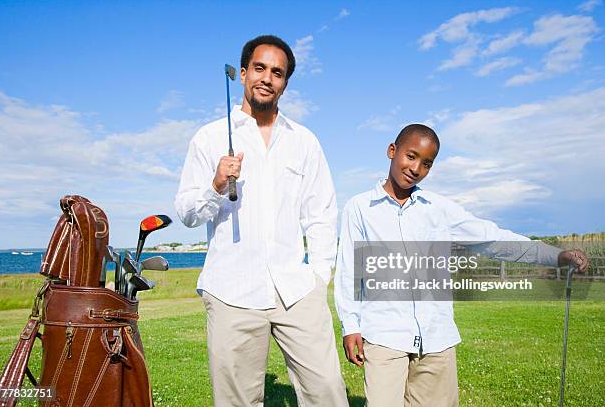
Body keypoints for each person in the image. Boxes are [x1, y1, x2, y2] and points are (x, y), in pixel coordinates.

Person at [333, 123, 589, 407]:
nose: (416, 168)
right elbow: (348, 272)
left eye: (426, 163)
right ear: (392, 151)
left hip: (436, 338)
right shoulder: (359, 207)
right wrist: (350, 326)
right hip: (384, 335)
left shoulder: (439, 209)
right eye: (411, 156)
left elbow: (493, 239)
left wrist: (555, 255)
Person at [175, 35, 348, 406]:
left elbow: (321, 215)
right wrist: (217, 185)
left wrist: (318, 278)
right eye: (259, 68)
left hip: (296, 290)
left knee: (327, 393)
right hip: (231, 292)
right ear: (241, 74)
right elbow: (187, 212)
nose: (267, 78)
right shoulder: (208, 138)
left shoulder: (304, 141)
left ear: (285, 83)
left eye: (278, 72)